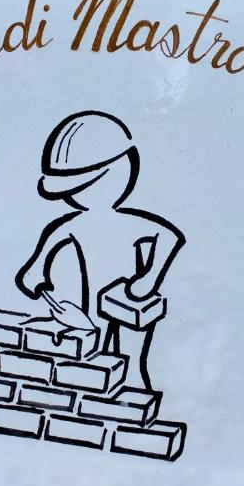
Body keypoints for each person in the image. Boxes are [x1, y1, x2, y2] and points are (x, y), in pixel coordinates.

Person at [15, 111, 184, 390]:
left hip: (130, 302)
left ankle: (136, 408)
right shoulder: (72, 226)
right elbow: (34, 268)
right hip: (93, 306)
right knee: (96, 361)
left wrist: (148, 280)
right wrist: (36, 278)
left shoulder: (131, 223)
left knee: (132, 365)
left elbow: (169, 237)